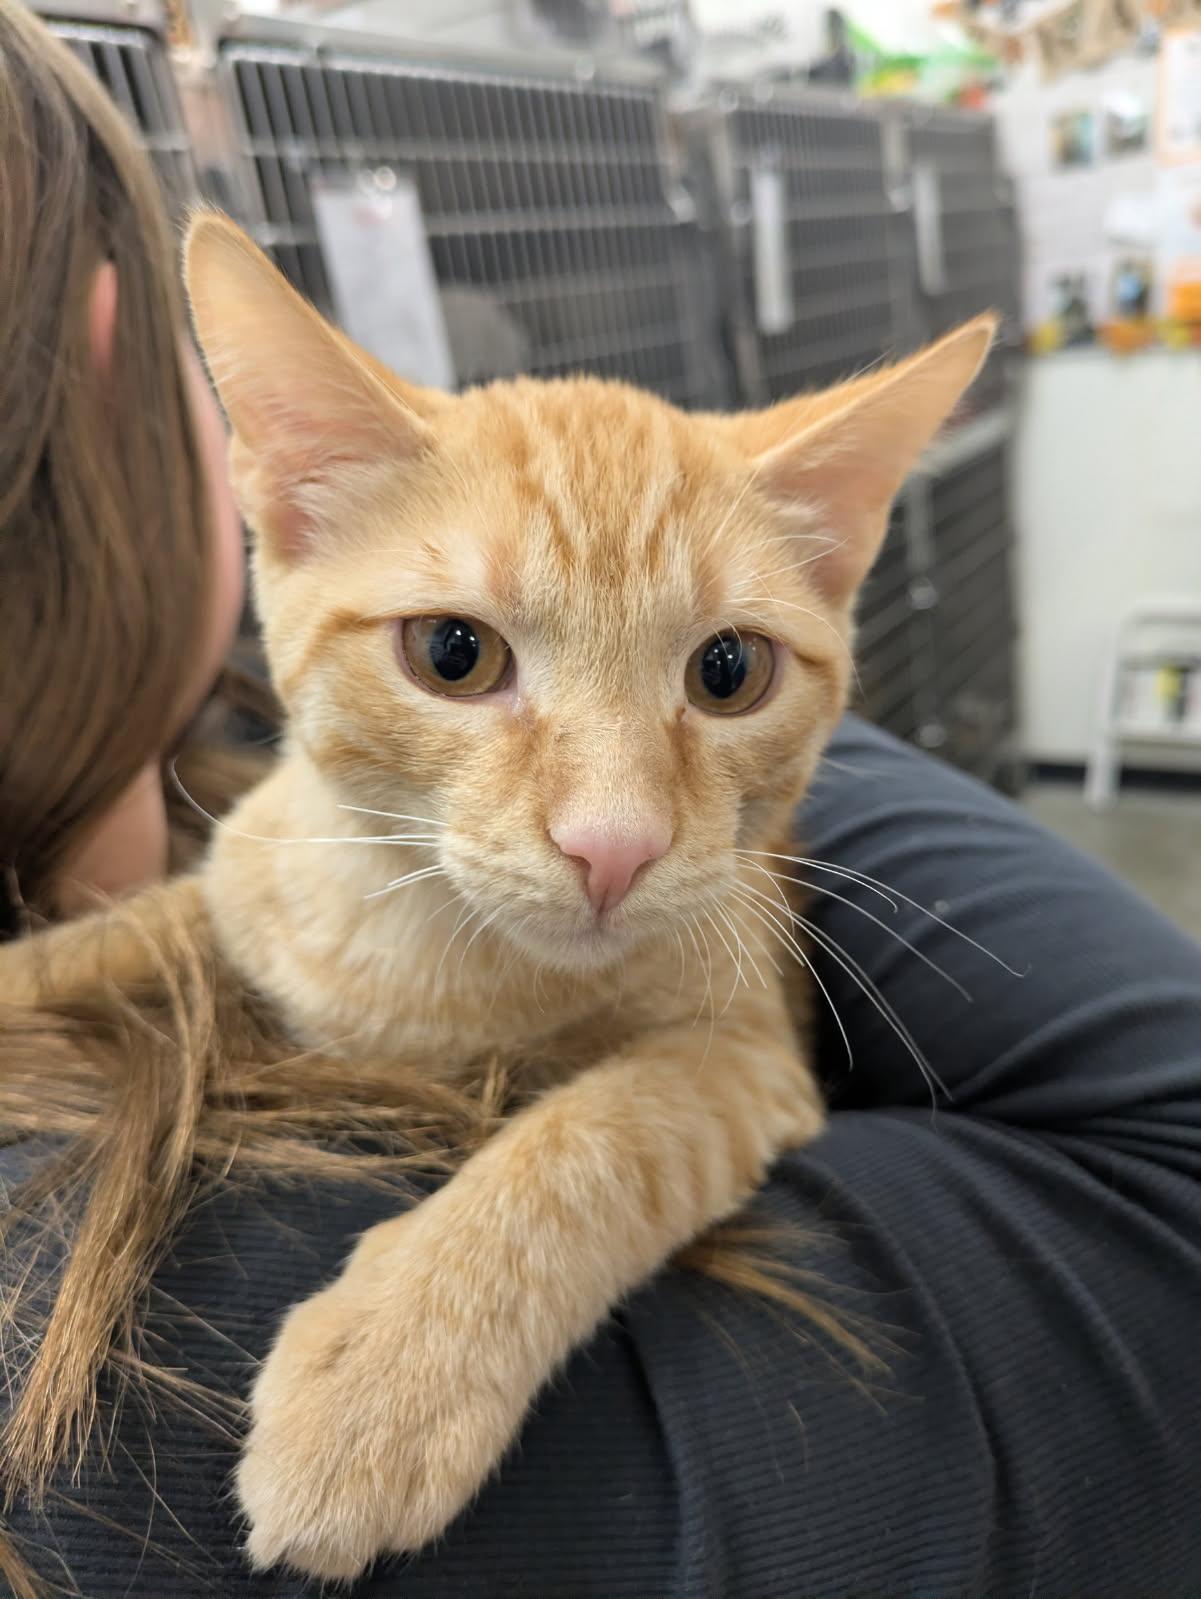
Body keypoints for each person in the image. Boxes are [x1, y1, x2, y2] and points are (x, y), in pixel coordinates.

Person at [2, 8, 1200, 1596]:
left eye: (723, 678)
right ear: (271, 488)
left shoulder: (248, 793)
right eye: (458, 651)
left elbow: (733, 1064)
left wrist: (498, 1261)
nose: (616, 835)